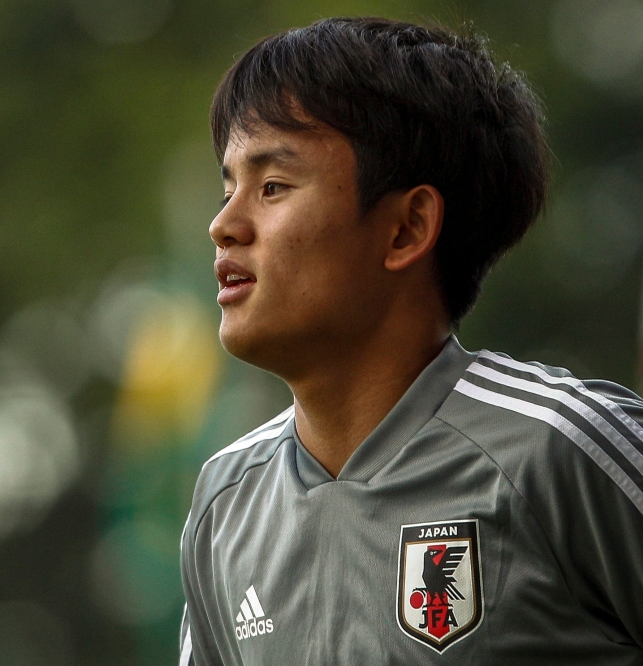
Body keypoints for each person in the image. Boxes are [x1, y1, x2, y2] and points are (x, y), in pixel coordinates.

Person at [178, 16, 643, 665]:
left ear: (407, 229)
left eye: (273, 186)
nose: (223, 225)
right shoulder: (225, 503)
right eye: (229, 188)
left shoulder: (560, 450)